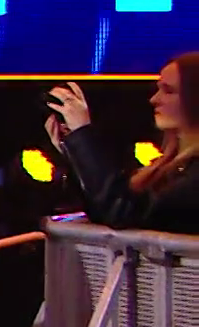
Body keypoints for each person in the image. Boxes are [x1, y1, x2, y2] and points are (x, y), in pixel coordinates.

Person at [47, 53, 199, 233]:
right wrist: (73, 151)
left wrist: (82, 136)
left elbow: (121, 212)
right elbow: (101, 209)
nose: (154, 99)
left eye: (168, 91)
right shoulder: (167, 167)